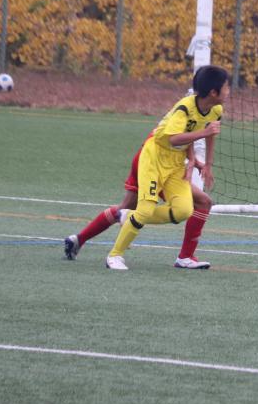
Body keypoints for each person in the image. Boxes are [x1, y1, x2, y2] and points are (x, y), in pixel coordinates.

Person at [63, 64, 228, 270]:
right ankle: (115, 255)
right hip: (152, 158)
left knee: (182, 209)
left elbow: (203, 131)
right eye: (226, 86)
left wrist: (201, 162)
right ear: (213, 92)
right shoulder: (184, 109)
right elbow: (178, 137)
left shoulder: (215, 109)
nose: (229, 91)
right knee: (141, 208)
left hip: (174, 162)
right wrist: (199, 143)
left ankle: (88, 235)